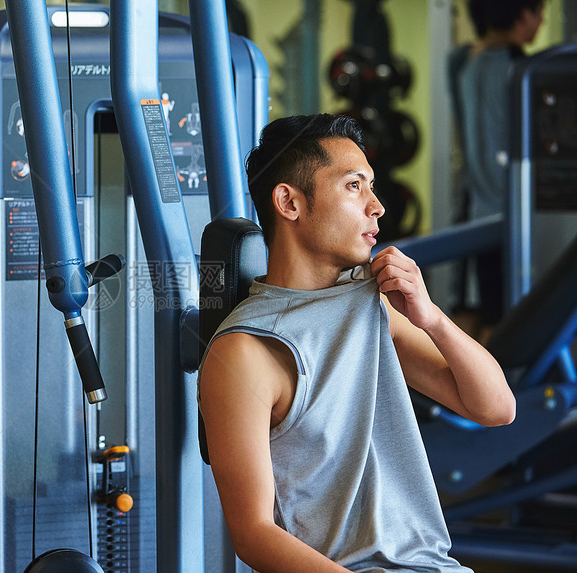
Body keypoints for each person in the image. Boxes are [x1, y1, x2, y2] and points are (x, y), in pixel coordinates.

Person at [198, 114, 515, 572]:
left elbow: (497, 409)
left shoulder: (374, 305)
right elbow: (254, 534)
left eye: (372, 186)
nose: (377, 206)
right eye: (354, 186)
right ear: (289, 202)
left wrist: (432, 320)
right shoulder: (245, 354)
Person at [455, 0, 544, 340]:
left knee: (479, 310)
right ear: (523, 14)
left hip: (476, 208)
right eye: (539, 13)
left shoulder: (468, 65)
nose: (541, 21)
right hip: (511, 212)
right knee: (504, 321)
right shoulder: (521, 69)